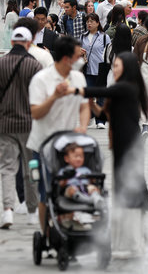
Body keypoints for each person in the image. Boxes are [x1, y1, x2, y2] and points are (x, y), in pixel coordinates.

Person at [72, 52, 148, 258]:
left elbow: (98, 89)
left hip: (129, 146)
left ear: (126, 67)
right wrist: (90, 104)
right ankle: (128, 243)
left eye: (116, 66)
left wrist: (75, 89)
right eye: (113, 65)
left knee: (130, 191)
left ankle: (134, 244)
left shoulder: (126, 87)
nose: (113, 69)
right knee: (123, 191)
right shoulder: (121, 90)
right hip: (120, 144)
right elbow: (102, 114)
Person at [27, 36, 90, 234]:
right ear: (66, 58)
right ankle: (46, 234)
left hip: (68, 146)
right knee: (47, 192)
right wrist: (54, 96)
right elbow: (36, 112)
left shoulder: (78, 77)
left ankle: (68, 228)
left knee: (70, 187)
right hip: (43, 144)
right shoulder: (41, 79)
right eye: (77, 54)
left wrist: (83, 126)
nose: (80, 57)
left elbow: (84, 105)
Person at [0, 27, 42, 228]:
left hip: (6, 124)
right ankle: (32, 212)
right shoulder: (34, 65)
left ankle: (7, 211)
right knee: (31, 168)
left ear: (11, 42)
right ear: (28, 42)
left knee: (7, 168)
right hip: (29, 124)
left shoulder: (1, 63)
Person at [81, 13, 111, 128]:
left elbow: (109, 52)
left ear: (98, 23)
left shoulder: (104, 36)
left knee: (101, 96)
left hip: (101, 70)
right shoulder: (82, 36)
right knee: (88, 95)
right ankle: (90, 115)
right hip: (87, 70)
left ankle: (100, 121)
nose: (89, 23)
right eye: (87, 21)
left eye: (92, 21)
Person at [57, 143, 104, 209]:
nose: (79, 159)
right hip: (71, 188)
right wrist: (65, 179)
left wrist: (93, 179)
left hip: (85, 187)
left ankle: (97, 199)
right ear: (67, 158)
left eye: (81, 156)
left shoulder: (86, 169)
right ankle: (89, 201)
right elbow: (60, 184)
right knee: (71, 190)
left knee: (93, 188)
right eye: (76, 156)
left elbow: (92, 181)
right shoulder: (64, 170)